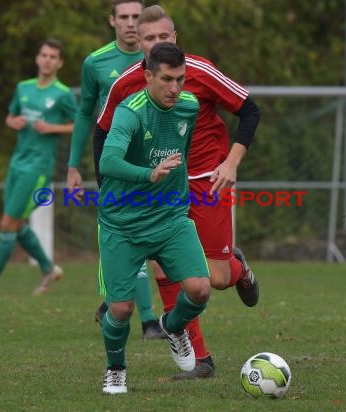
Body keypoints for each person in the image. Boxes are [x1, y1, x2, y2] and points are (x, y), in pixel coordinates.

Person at [82, 5, 262, 379]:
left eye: (164, 37)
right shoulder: (128, 84)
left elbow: (250, 110)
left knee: (214, 278)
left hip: (208, 180)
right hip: (161, 191)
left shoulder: (197, 72)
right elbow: (101, 133)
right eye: (149, 39)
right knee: (163, 265)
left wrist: (230, 163)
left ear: (175, 38)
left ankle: (238, 268)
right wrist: (109, 190)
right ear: (139, 43)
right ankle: (199, 359)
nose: (157, 43)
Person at [98, 42, 210, 394]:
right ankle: (116, 370)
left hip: (170, 216)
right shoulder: (129, 113)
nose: (175, 88)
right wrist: (150, 174)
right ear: (148, 76)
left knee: (200, 289)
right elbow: (107, 162)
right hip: (122, 222)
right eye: (166, 79)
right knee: (119, 309)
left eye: (180, 79)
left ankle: (173, 326)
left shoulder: (189, 107)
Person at [67, 0, 165, 340]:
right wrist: (73, 166)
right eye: (123, 17)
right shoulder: (96, 63)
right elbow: (84, 115)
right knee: (129, 233)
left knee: (164, 232)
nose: (130, 23)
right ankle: (149, 320)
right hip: (116, 159)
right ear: (112, 21)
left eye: (136, 17)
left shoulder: (162, 59)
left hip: (159, 157)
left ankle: (115, 299)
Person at [0, 38, 78, 298]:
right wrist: (12, 122)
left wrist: (53, 128)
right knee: (13, 223)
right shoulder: (23, 88)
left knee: (8, 222)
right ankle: (48, 268)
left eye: (53, 56)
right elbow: (10, 116)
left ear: (59, 63)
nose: (47, 59)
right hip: (17, 162)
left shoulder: (62, 94)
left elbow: (80, 124)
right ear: (37, 59)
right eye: (43, 55)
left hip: (38, 167)